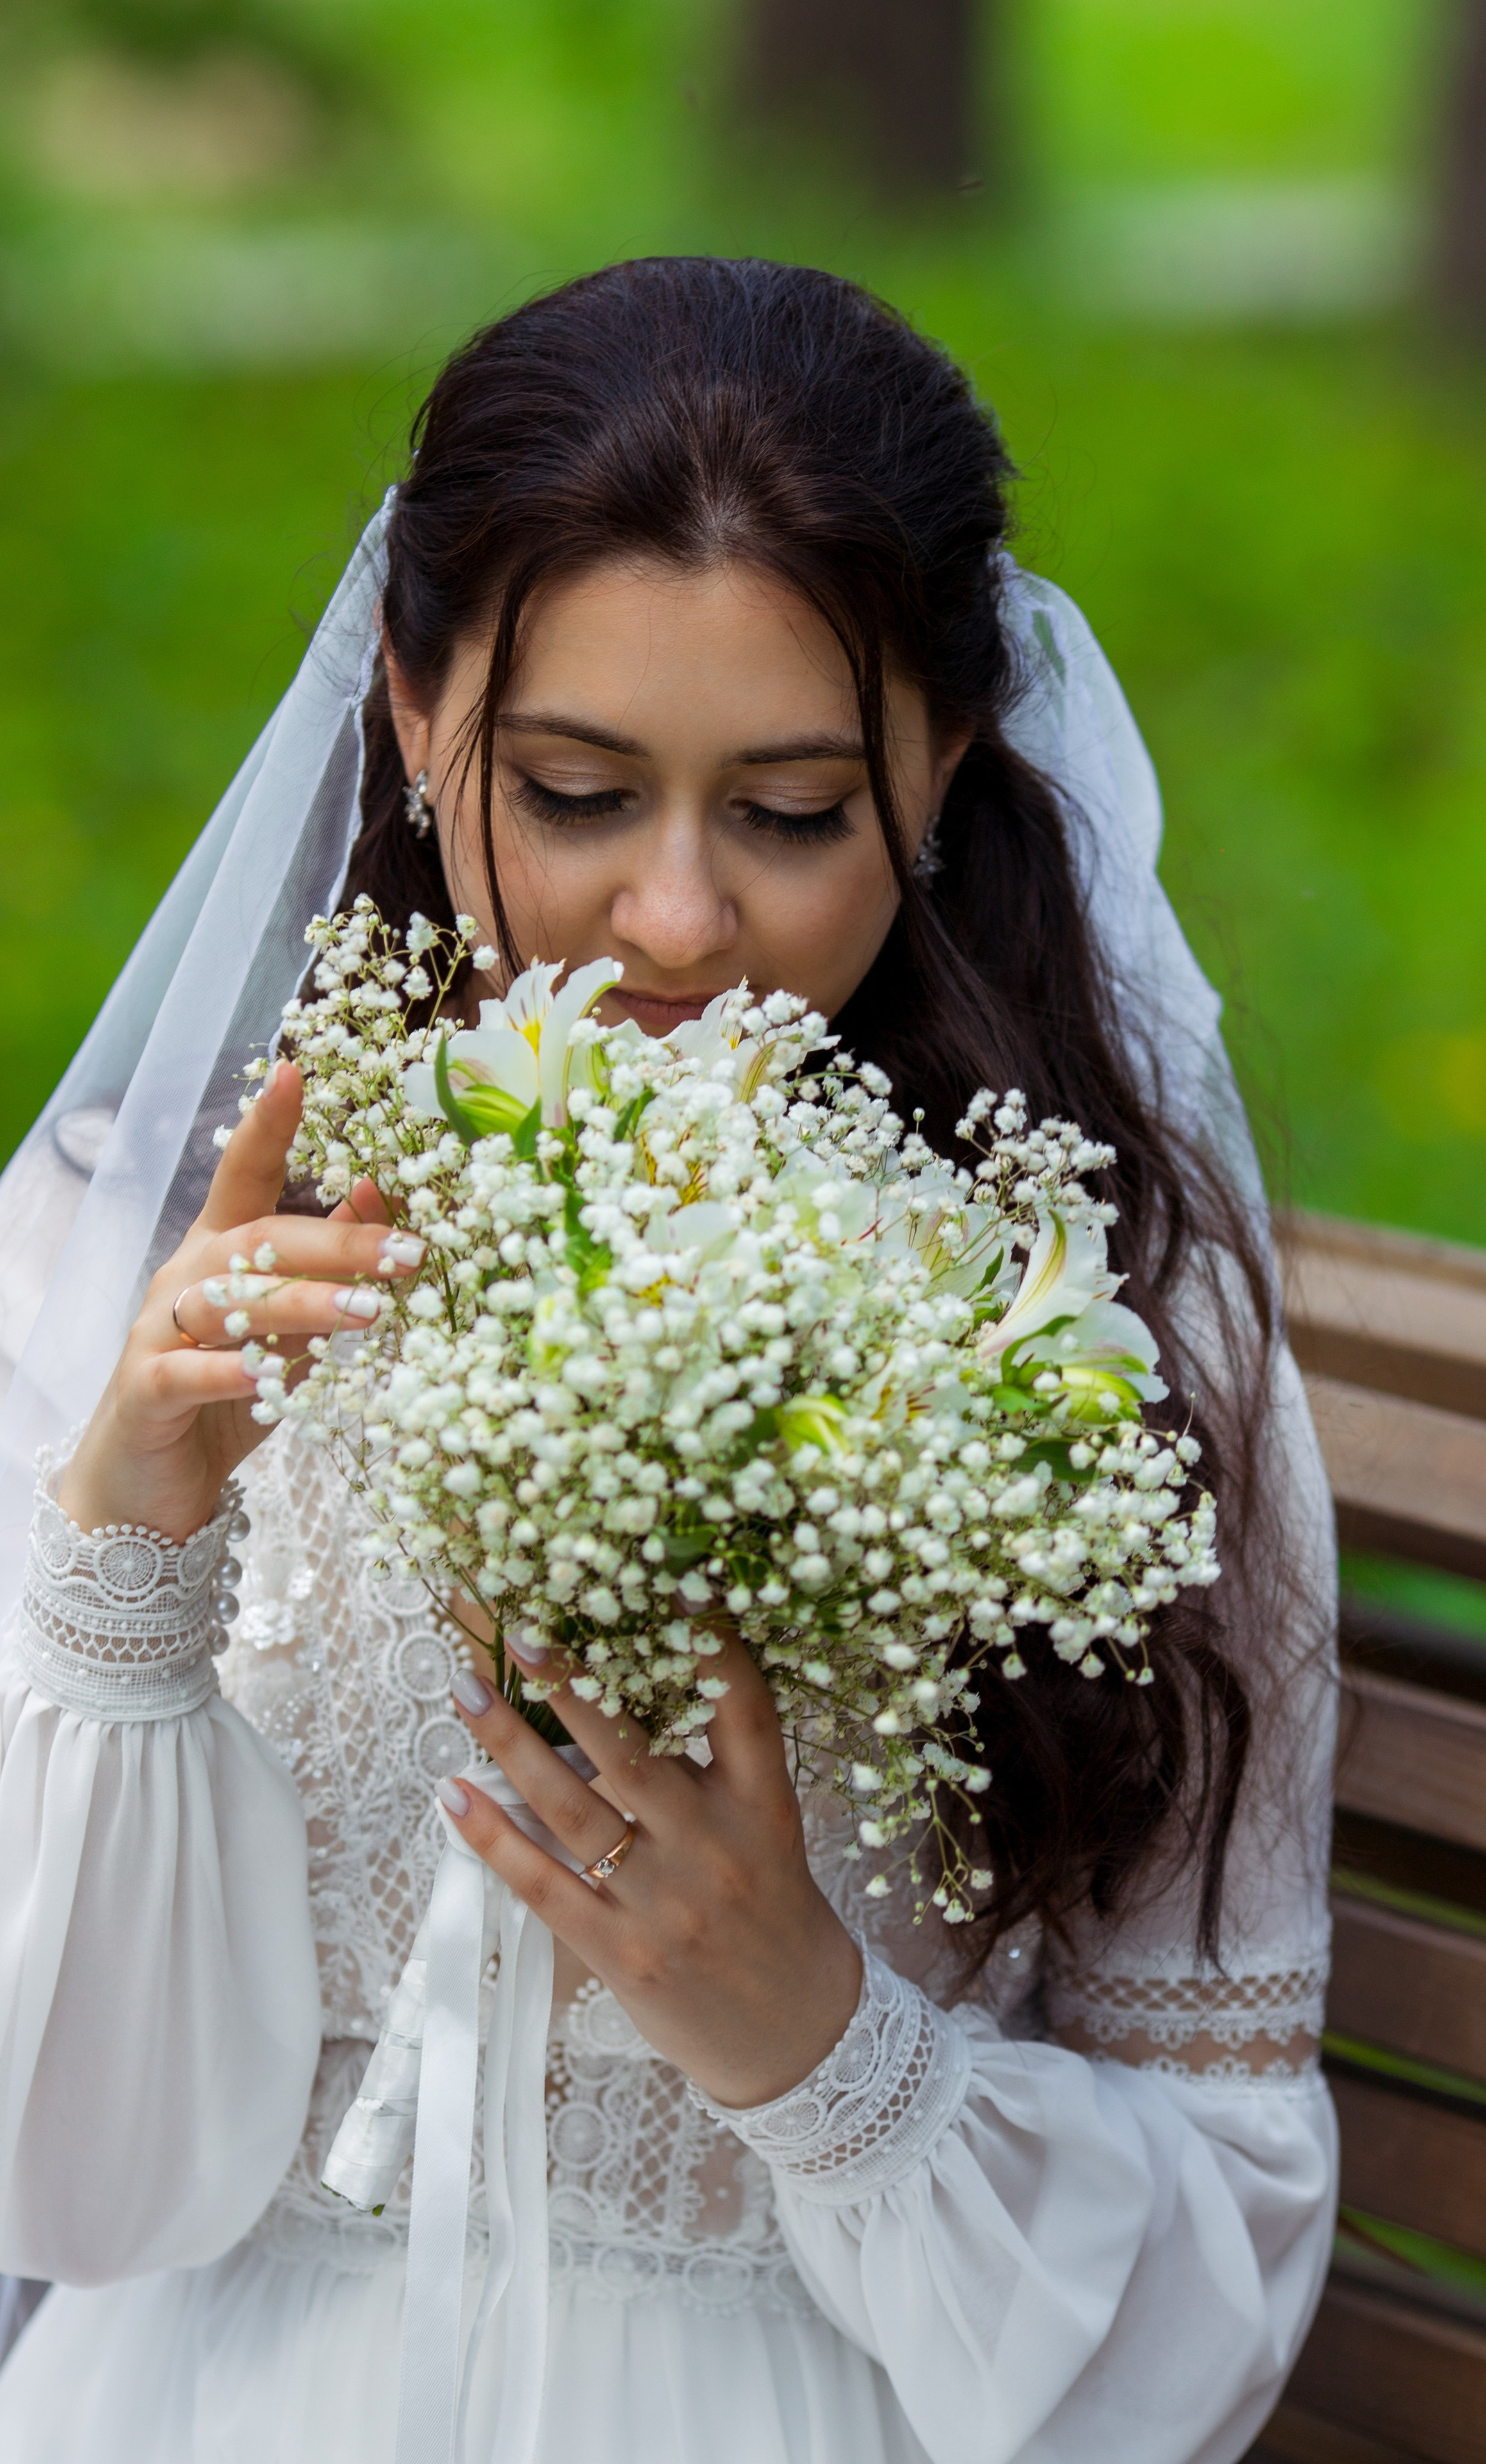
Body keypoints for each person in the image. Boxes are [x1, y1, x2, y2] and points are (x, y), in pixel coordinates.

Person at [0, 259, 1337, 2464]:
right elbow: (70, 2184)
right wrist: (129, 1554)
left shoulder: (1102, 1332)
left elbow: (1222, 2258)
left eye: (795, 812)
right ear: (421, 711)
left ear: (946, 758)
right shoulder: (154, 1252)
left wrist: (816, 2039)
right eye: (580, 790)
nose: (681, 921)